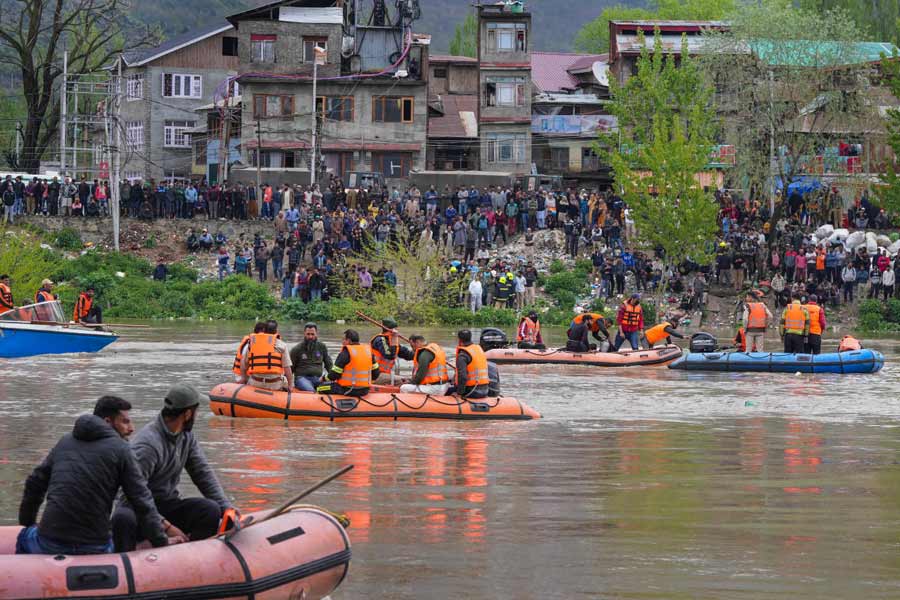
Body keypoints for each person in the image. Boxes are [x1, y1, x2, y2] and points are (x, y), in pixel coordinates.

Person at [17, 396, 171, 555]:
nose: (131, 428)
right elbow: (142, 500)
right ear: (107, 422)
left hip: (49, 541)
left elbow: (34, 483)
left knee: (23, 536)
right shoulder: (122, 449)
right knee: (121, 528)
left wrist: (28, 523)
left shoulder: (64, 442)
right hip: (94, 547)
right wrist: (161, 541)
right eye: (125, 421)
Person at [111, 384, 232, 552]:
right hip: (140, 511)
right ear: (188, 414)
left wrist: (227, 509)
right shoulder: (148, 445)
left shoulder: (186, 436)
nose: (196, 416)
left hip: (166, 504)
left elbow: (203, 474)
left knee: (210, 509)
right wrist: (166, 527)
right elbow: (130, 496)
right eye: (196, 412)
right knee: (123, 517)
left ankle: (192, 557)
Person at [317, 329, 380, 397]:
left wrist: (323, 379)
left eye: (343, 339)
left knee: (319, 388)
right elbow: (376, 373)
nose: (342, 342)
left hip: (348, 389)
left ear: (349, 341)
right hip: (365, 390)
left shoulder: (346, 353)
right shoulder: (368, 352)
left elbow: (334, 374)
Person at [240, 320, 293, 390]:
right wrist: (290, 385)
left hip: (255, 383)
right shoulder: (282, 345)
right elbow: (287, 368)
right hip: (274, 384)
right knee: (285, 380)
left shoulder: (252, 345)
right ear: (276, 331)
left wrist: (244, 379)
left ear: (264, 330)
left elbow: (243, 366)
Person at [290, 322, 333, 392]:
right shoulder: (296, 349)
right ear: (304, 333)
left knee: (333, 388)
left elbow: (329, 365)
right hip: (302, 378)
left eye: (312, 334)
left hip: (318, 379)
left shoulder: (322, 347)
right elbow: (290, 369)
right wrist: (286, 383)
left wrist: (334, 378)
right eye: (308, 334)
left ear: (316, 334)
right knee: (310, 390)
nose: (310, 337)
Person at [370, 317, 413, 383]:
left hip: (384, 374)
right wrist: (394, 338)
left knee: (409, 380)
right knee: (405, 380)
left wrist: (419, 350)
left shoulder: (392, 341)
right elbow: (390, 355)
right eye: (395, 328)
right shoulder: (380, 340)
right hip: (375, 375)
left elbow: (408, 355)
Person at [452, 329, 490, 399]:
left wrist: (459, 393)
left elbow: (463, 377)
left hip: (473, 391)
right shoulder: (478, 349)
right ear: (470, 338)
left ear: (459, 340)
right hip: (485, 389)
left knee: (448, 390)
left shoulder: (462, 355)